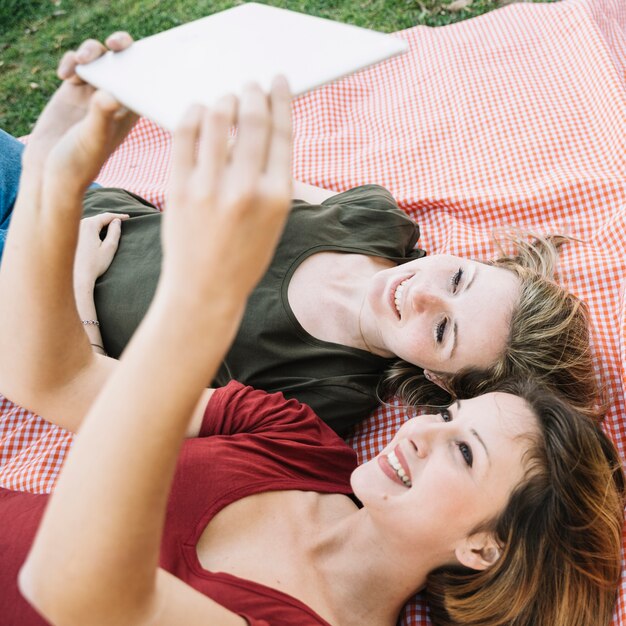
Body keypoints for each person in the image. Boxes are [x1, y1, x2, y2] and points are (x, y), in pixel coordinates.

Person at [0, 41, 623, 626]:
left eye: (465, 452)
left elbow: (71, 583)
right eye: (449, 415)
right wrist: (54, 172)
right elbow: (58, 378)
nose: (419, 430)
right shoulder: (303, 443)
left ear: (486, 548)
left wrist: (202, 296)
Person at [0, 35, 599, 435]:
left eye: (443, 329)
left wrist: (74, 284)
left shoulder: (326, 395)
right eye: (459, 277)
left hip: (24, 304)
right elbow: (263, 179)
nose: (421, 293)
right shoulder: (378, 223)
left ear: (440, 379)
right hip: (61, 190)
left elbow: (117, 409)